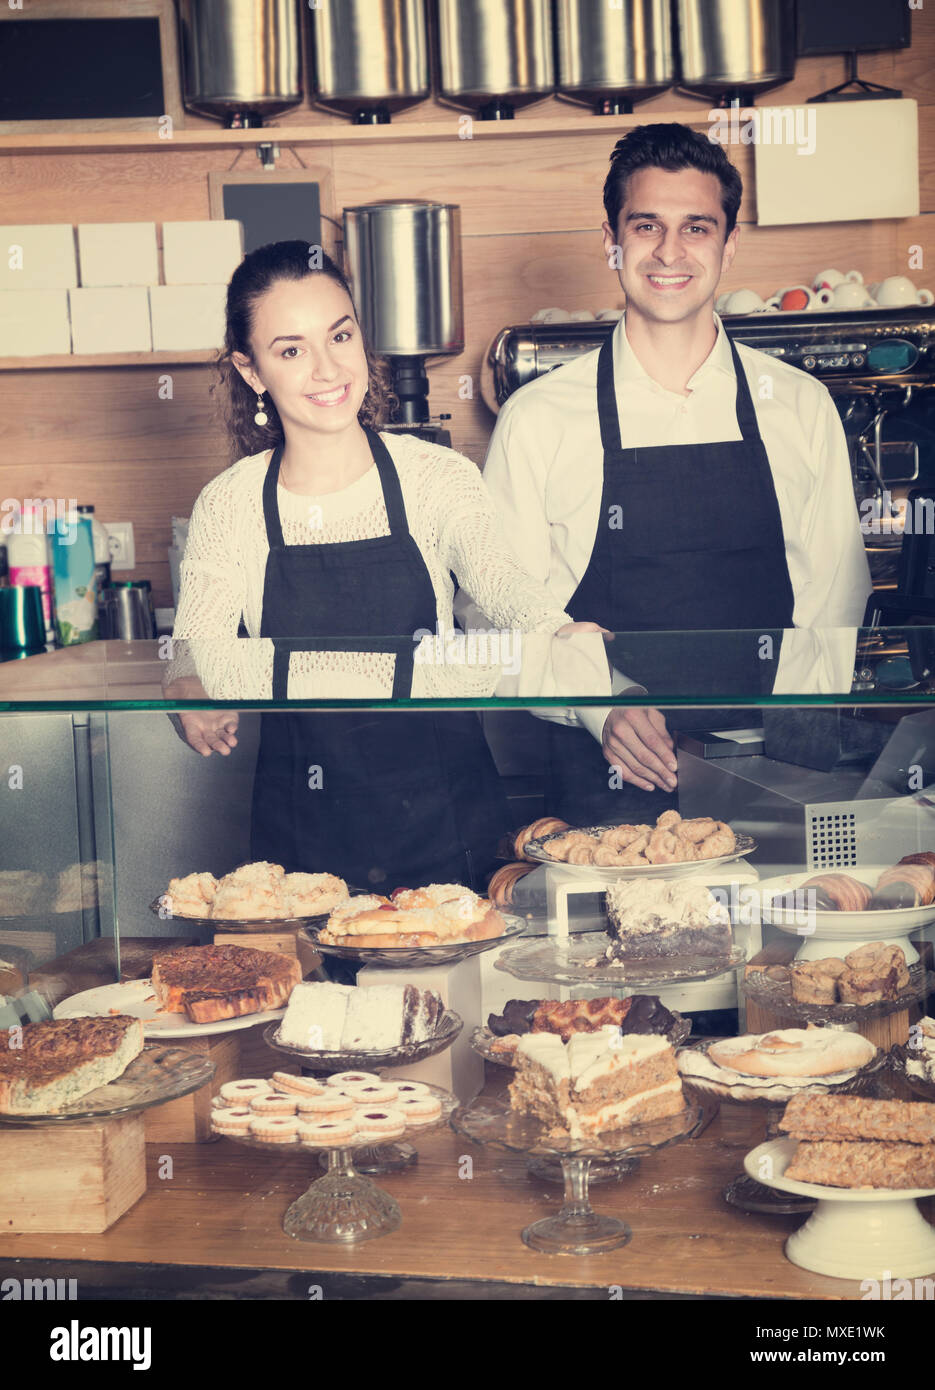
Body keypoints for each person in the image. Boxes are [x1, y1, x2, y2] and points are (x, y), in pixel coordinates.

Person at [458, 123, 871, 826]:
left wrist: (788, 763)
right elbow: (496, 613)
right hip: (604, 788)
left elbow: (832, 600)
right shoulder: (540, 418)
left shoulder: (798, 405)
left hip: (767, 783)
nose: (670, 252)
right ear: (610, 241)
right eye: (645, 225)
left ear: (728, 245)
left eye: (696, 228)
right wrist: (601, 706)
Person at [171, 240, 598, 890]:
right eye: (290, 350)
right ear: (251, 370)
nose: (326, 368)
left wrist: (557, 629)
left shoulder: (438, 478)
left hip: (446, 827)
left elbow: (500, 582)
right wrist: (185, 688)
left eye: (339, 336)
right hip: (302, 843)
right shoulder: (228, 506)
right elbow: (193, 648)